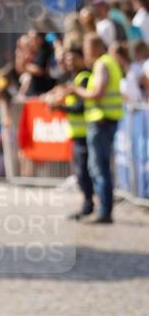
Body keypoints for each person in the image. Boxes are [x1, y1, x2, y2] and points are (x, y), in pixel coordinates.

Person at [67, 34, 124, 225]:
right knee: (99, 167)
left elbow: (97, 94)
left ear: (96, 47)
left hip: (101, 122)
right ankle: (102, 210)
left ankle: (104, 211)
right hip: (105, 121)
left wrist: (76, 91)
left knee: (99, 169)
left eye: (87, 49)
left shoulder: (102, 64)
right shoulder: (108, 62)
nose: (85, 53)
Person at [46, 47, 93, 220]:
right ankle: (87, 205)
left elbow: (80, 107)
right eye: (67, 59)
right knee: (82, 173)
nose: (69, 62)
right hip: (78, 132)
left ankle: (89, 206)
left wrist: (59, 107)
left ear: (82, 58)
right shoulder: (74, 78)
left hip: (85, 132)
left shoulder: (84, 78)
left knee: (85, 172)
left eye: (73, 59)